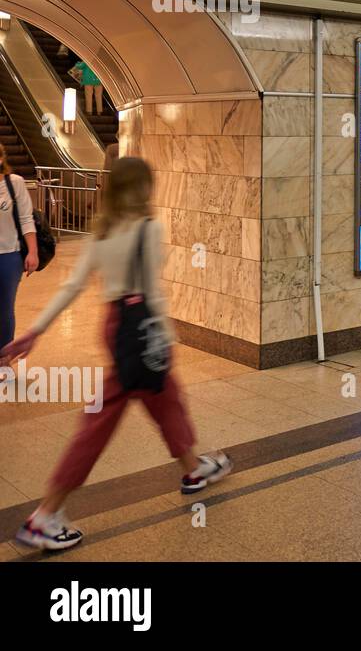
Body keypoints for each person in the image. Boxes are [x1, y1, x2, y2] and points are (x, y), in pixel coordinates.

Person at [1, 156, 232, 552]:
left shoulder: (100, 233)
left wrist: (35, 332)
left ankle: (193, 469)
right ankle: (45, 515)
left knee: (167, 400)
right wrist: (163, 337)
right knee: (99, 422)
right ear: (143, 188)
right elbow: (152, 294)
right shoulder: (149, 228)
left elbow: (72, 286)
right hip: (140, 331)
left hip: (115, 327)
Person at [0, 143, 39, 365]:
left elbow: (26, 220)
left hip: (8, 255)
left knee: (4, 309)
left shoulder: (14, 184)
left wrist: (32, 252)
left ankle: (4, 359)